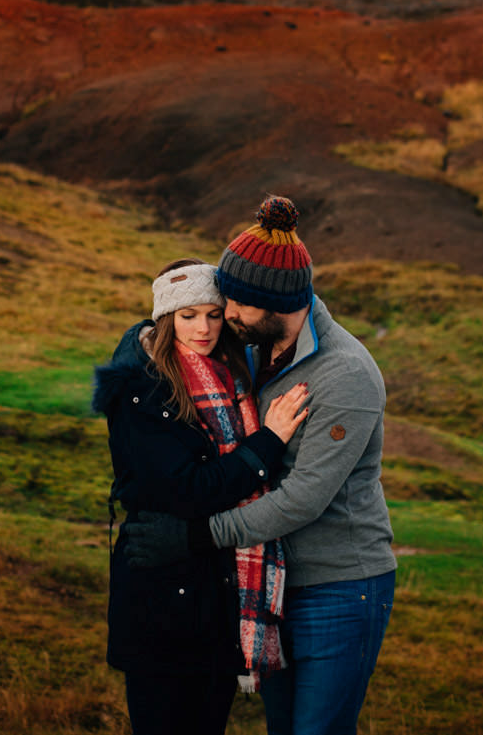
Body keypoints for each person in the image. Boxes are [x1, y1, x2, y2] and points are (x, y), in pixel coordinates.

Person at [123, 196, 396, 735]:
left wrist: (198, 536)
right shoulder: (251, 344)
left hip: (338, 587)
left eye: (238, 304)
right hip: (271, 581)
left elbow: (302, 499)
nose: (226, 314)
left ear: (276, 305)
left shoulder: (344, 376)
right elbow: (170, 341)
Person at [93, 258, 311, 735]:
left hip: (214, 595)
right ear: (165, 319)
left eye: (213, 315)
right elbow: (188, 490)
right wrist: (268, 442)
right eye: (188, 316)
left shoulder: (232, 377)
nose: (203, 329)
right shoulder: (143, 390)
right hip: (160, 596)